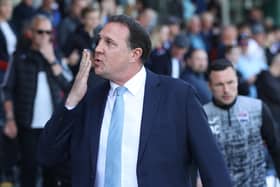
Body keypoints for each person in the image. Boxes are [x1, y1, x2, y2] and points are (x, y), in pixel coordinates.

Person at [37, 15, 232, 187]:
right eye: (98, 41)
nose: (98, 49)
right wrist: (71, 101)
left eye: (109, 43)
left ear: (134, 54)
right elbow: (47, 155)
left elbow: (212, 166)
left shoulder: (178, 95)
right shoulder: (89, 98)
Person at [2, 15, 72, 187]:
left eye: (49, 32)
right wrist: (10, 119)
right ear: (30, 33)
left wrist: (51, 60)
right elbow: (7, 89)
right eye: (40, 32)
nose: (45, 36)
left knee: (51, 173)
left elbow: (69, 87)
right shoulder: (19, 57)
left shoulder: (56, 55)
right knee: (29, 171)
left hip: (53, 126)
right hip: (28, 125)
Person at [203, 59, 280, 187]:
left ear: (237, 81)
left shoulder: (257, 108)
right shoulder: (202, 115)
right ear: (209, 86)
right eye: (219, 84)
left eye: (230, 82)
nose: (226, 89)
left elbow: (276, 148)